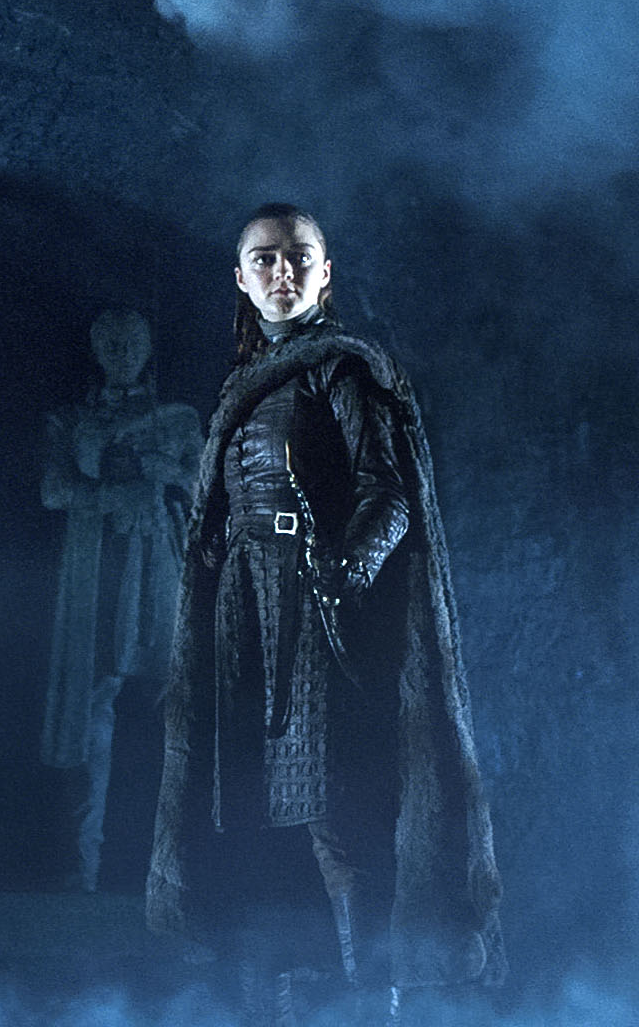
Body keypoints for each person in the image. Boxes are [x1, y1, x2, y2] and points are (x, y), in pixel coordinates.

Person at [146, 204, 503, 1020]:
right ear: (242, 280)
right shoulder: (243, 387)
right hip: (244, 617)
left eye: (298, 256)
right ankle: (279, 997)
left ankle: (371, 1002)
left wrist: (348, 571)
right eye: (265, 259)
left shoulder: (345, 370)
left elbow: (390, 493)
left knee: (334, 813)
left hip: (318, 615)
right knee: (245, 809)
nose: (282, 272)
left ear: (325, 272)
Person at [40, 309, 199, 893]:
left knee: (171, 710)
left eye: (132, 341)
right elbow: (55, 487)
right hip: (98, 574)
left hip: (161, 572)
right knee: (92, 718)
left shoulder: (178, 419)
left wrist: (164, 468)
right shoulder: (71, 420)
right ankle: (85, 872)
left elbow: (206, 484)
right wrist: (116, 490)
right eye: (109, 342)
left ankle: (173, 874)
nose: (121, 351)